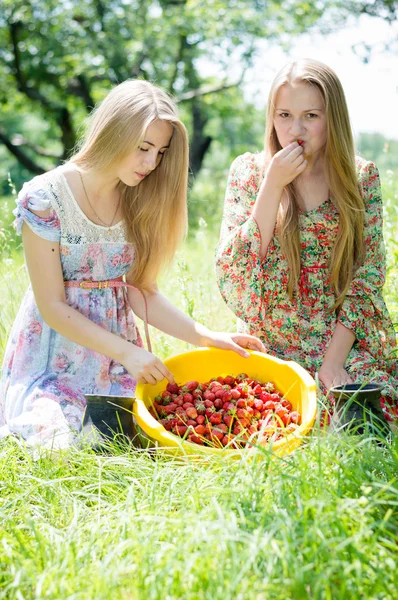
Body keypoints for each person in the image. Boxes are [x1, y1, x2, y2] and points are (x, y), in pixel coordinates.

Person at [0, 79, 265, 449]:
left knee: (155, 434)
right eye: (143, 148)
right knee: (60, 442)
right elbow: (53, 306)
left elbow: (142, 291)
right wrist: (128, 352)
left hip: (118, 362)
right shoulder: (46, 198)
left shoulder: (138, 198)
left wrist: (207, 336)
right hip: (56, 360)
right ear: (113, 132)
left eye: (160, 151)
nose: (151, 163)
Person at [216, 58, 397, 428]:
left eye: (310, 116)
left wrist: (333, 362)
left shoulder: (360, 177)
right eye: (284, 115)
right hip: (272, 344)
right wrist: (273, 184)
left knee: (375, 418)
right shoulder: (249, 173)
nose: (295, 129)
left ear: (332, 118)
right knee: (271, 424)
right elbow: (234, 280)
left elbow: (368, 277)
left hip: (342, 342)